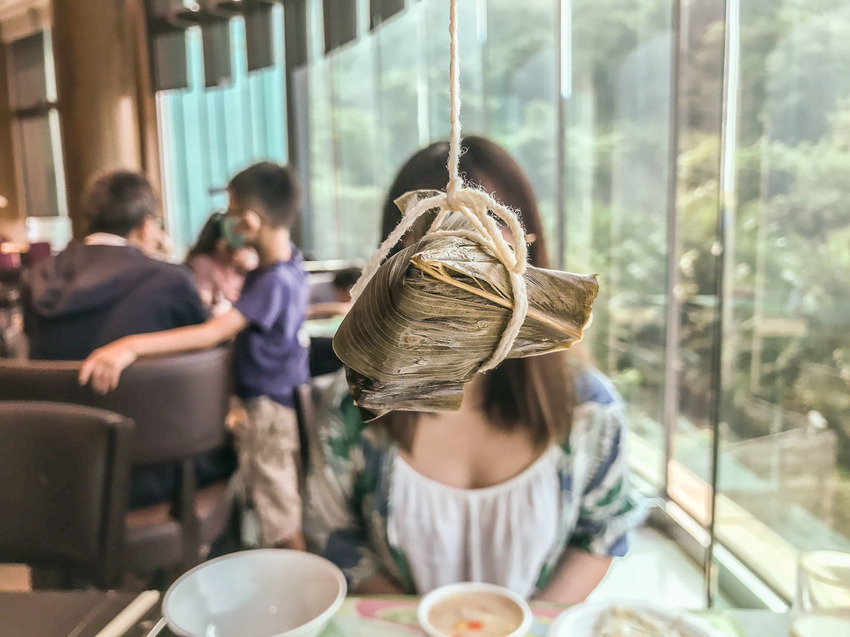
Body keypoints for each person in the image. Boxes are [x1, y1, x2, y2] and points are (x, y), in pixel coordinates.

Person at [303, 137, 646, 603]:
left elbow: (602, 532)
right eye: (432, 235)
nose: (455, 263)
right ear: (394, 261)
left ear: (525, 249)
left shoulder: (588, 409)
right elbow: (335, 534)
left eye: (483, 234)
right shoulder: (354, 410)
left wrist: (528, 627)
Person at [79, 161, 311, 550]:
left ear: (250, 223)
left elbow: (211, 333)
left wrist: (129, 346)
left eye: (231, 214)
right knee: (274, 505)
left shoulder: (273, 280)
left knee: (280, 517)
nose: (227, 223)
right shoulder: (290, 266)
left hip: (267, 410)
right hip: (273, 404)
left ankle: (303, 595)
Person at [24, 169, 233, 508]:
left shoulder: (37, 278)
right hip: (156, 478)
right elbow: (218, 360)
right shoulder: (170, 281)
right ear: (146, 225)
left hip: (59, 475)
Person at [24, 170, 208, 361]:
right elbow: (210, 345)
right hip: (145, 391)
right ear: (146, 226)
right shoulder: (171, 279)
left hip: (51, 391)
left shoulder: (39, 273)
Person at [187, 212, 259, 314]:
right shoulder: (203, 263)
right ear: (220, 244)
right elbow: (202, 304)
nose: (240, 250)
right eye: (235, 247)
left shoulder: (239, 267)